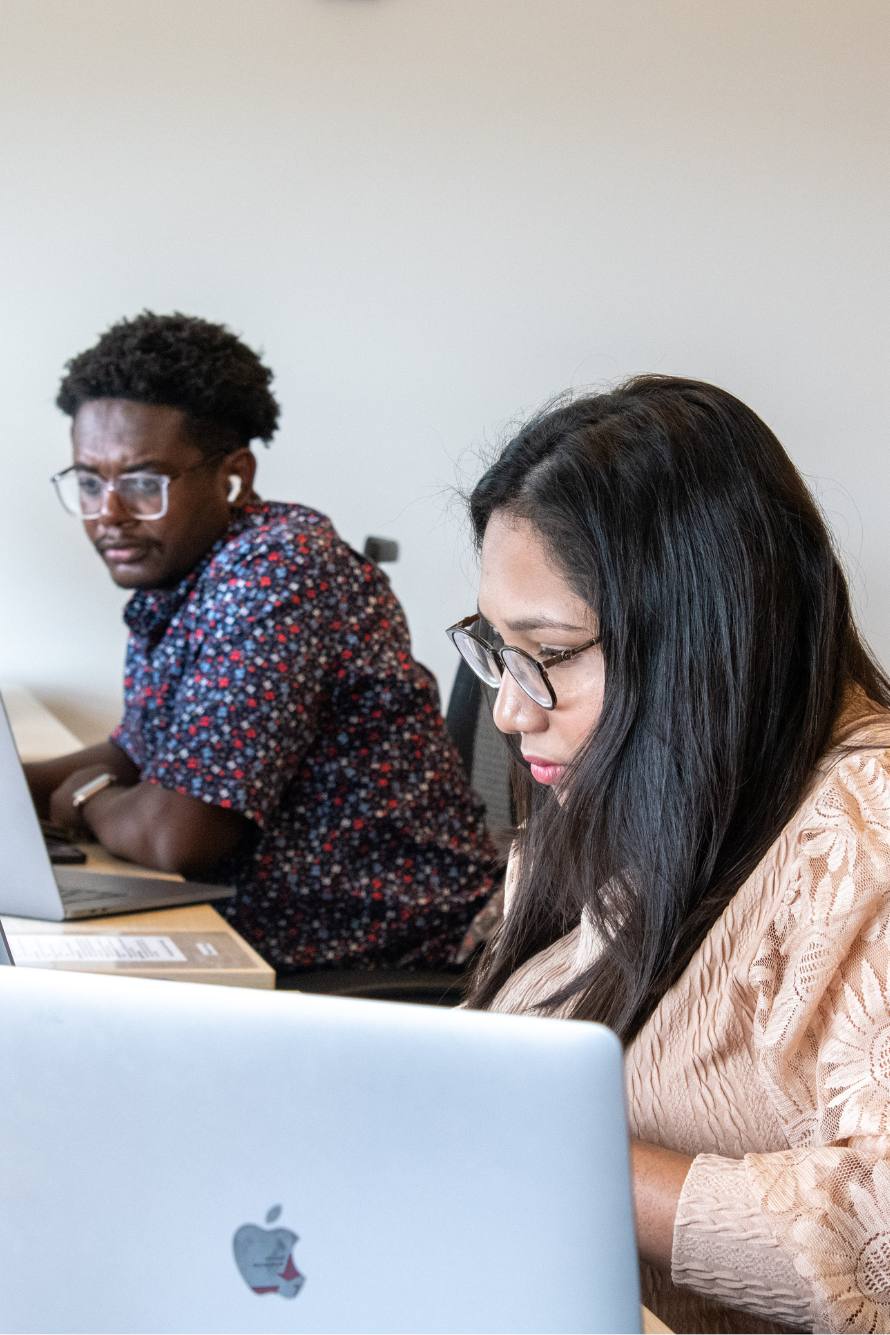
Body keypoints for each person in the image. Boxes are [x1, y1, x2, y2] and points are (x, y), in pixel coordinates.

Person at [447, 375, 890, 1333]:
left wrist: (541, 1148)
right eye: (496, 647)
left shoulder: (866, 833)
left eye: (550, 650)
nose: (510, 709)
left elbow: (879, 1234)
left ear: (703, 634)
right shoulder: (623, 792)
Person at [28, 311, 495, 974]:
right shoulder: (186, 578)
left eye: (142, 482)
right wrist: (19, 787)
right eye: (89, 481)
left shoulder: (279, 573)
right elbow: (138, 751)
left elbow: (176, 836)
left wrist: (83, 800)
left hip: (389, 958)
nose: (109, 510)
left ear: (235, 475)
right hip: (274, 939)